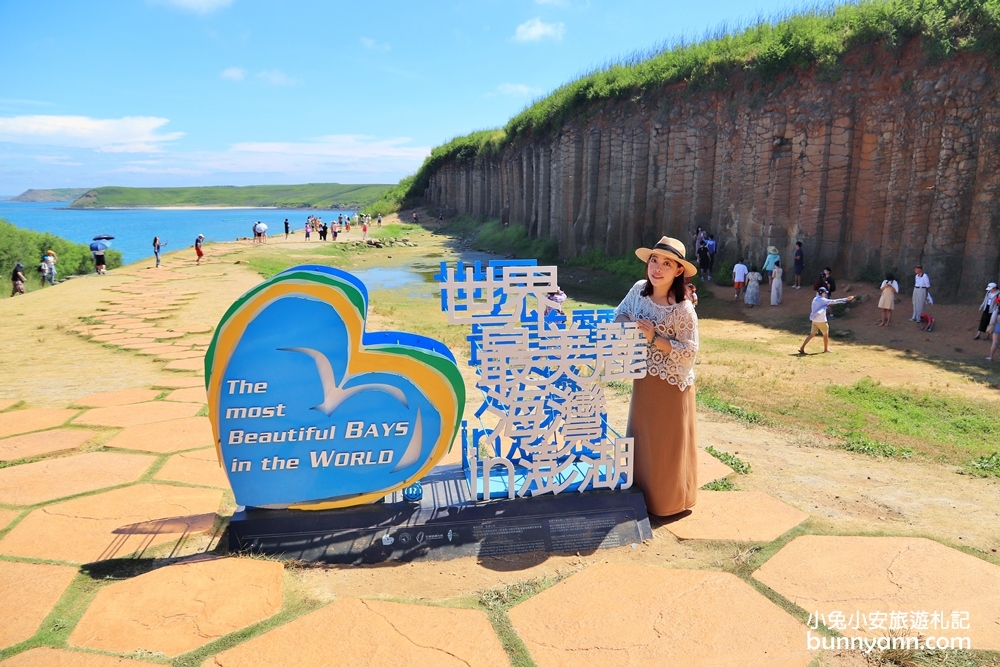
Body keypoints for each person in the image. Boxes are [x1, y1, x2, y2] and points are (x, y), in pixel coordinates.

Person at [613, 236, 699, 517]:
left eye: (667, 263)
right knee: (642, 439)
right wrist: (631, 325)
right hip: (643, 378)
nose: (657, 268)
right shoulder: (639, 290)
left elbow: (689, 352)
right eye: (654, 260)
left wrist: (653, 337)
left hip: (671, 385)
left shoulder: (683, 309)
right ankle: (640, 500)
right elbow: (620, 314)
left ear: (678, 271)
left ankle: (668, 503)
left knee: (665, 444)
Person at [798, 286, 855, 354]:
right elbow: (833, 301)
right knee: (825, 335)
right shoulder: (822, 300)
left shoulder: (815, 299)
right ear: (822, 293)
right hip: (821, 321)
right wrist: (845, 299)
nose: (825, 294)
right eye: (825, 293)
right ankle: (826, 349)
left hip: (814, 320)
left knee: (812, 334)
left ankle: (802, 347)